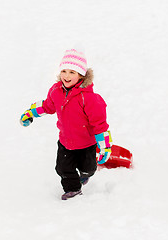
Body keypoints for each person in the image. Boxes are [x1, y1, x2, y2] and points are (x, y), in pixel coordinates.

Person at [20, 48, 112, 200]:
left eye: (72, 72)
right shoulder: (56, 91)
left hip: (86, 143)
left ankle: (85, 174)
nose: (66, 76)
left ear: (81, 75)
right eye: (64, 71)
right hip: (66, 141)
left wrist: (105, 146)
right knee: (63, 168)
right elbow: (47, 106)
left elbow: (100, 124)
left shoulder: (89, 98)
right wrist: (30, 113)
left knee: (88, 168)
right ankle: (73, 189)